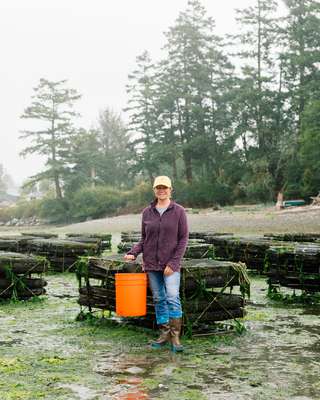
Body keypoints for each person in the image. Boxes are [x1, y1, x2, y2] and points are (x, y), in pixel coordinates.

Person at [124, 176, 188, 352]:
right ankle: (163, 334)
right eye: (158, 187)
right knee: (159, 299)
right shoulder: (147, 212)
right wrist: (133, 252)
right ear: (154, 190)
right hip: (151, 264)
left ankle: (175, 337)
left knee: (173, 298)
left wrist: (173, 264)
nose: (161, 190)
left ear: (170, 190)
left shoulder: (179, 211)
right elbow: (145, 239)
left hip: (170, 266)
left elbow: (183, 239)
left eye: (164, 187)